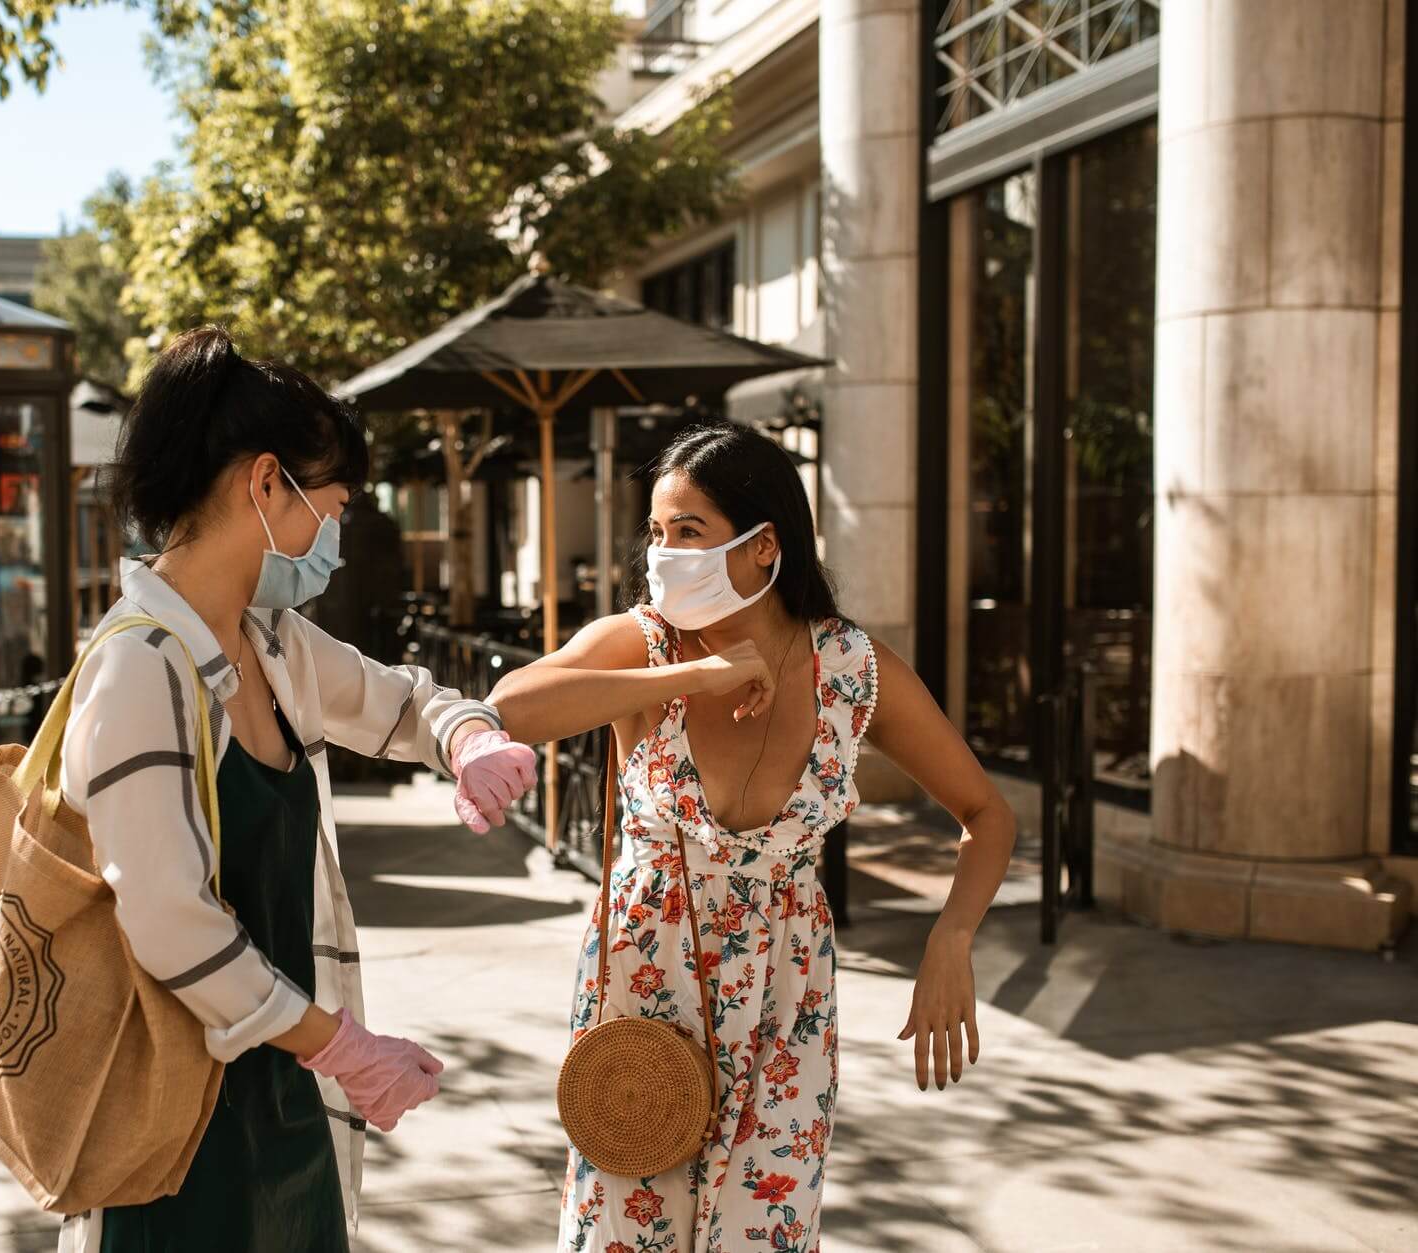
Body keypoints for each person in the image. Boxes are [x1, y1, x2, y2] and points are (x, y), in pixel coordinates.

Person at [55, 327, 539, 1253]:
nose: (340, 536)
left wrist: (468, 738)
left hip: (283, 1103)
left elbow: (402, 703)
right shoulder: (137, 672)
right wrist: (342, 1046)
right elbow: (169, 922)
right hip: (175, 1136)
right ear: (267, 484)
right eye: (338, 503)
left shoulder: (271, 640)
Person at [488, 422, 1016, 1252]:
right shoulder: (644, 642)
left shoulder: (850, 667)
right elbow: (508, 706)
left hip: (786, 1002)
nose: (663, 555)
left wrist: (952, 937)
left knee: (762, 1232)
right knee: (625, 1231)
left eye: (687, 532)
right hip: (645, 990)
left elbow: (988, 814)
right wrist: (694, 674)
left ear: (764, 546)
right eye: (657, 533)